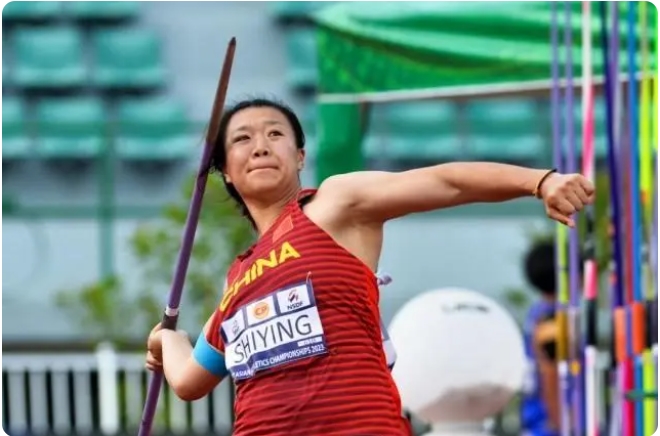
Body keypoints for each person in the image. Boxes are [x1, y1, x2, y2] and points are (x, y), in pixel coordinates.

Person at [145, 97, 595, 436]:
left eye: (275, 134)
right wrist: (167, 338)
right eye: (242, 138)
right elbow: (188, 380)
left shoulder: (333, 205)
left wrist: (540, 181)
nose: (260, 145)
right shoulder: (238, 279)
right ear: (225, 171)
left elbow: (446, 182)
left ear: (300, 157)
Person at [519, 240, 561, 436]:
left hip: (534, 420)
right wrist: (558, 422)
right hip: (546, 425)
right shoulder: (551, 321)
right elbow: (549, 372)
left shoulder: (536, 313)